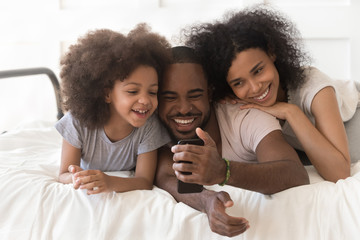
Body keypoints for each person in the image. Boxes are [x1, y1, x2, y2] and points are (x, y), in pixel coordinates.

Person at [184, 5, 360, 182]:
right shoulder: (236, 100)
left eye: (258, 70)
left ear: (271, 52)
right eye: (238, 82)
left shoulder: (313, 86)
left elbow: (339, 173)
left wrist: (290, 112)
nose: (255, 88)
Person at [155, 46, 309, 237]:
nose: (184, 109)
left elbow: (295, 173)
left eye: (195, 95)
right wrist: (207, 201)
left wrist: (223, 171)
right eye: (169, 98)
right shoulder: (155, 123)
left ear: (210, 93)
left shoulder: (245, 116)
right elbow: (165, 174)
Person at [56, 24, 171, 194]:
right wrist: (77, 177)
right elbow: (64, 173)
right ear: (107, 94)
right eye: (133, 91)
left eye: (153, 92)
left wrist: (109, 182)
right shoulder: (78, 122)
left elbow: (145, 181)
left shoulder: (149, 127)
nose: (145, 100)